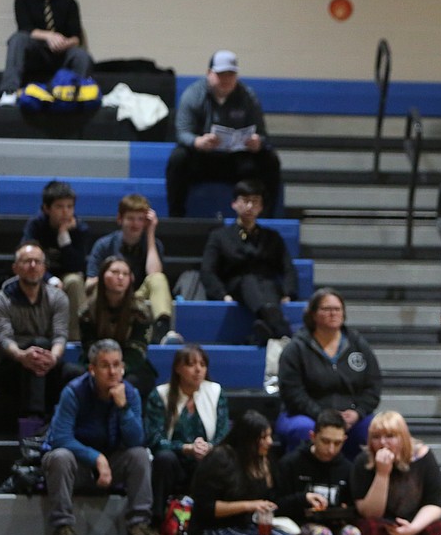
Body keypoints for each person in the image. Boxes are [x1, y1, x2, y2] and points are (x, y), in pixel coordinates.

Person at [42, 339, 163, 535]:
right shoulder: (74, 392)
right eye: (105, 365)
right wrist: (96, 458)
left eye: (117, 365)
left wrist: (123, 408)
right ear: (92, 369)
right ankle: (63, 527)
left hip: (113, 463)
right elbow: (60, 437)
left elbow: (137, 440)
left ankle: (138, 525)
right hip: (78, 465)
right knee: (59, 456)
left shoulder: (130, 394)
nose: (112, 371)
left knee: (140, 455)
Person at [166, 50, 281, 217]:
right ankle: (176, 216)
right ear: (209, 73)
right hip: (203, 159)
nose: (226, 79)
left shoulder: (248, 96)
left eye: (231, 74)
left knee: (269, 159)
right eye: (221, 74)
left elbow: (263, 134)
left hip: (236, 161)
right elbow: (183, 132)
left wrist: (257, 142)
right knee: (178, 158)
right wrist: (197, 142)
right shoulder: (193, 94)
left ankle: (267, 218)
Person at [275, 287, 381, 460]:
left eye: (337, 309)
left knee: (377, 429)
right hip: (307, 414)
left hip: (350, 415)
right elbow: (292, 392)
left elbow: (373, 385)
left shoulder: (358, 344)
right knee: (302, 429)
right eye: (326, 309)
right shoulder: (296, 348)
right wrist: (324, 416)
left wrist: (358, 412)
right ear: (313, 314)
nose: (333, 314)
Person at [200, 180, 297, 345]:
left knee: (268, 285)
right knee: (249, 280)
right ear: (234, 204)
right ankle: (280, 328)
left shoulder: (272, 237)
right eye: (245, 201)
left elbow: (288, 267)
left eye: (255, 202)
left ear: (261, 207)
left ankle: (264, 328)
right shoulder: (220, 236)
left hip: (268, 285)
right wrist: (222, 295)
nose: (250, 206)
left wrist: (288, 293)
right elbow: (207, 270)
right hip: (237, 285)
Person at [144, 344, 229, 527]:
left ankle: (214, 523)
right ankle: (156, 521)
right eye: (191, 364)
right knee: (164, 458)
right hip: (176, 462)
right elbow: (154, 439)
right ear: (178, 368)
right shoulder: (160, 395)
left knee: (221, 459)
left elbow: (223, 433)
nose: (198, 370)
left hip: (206, 460)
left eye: (202, 364)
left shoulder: (215, 392)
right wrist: (185, 448)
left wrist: (210, 447)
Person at [0, 242, 70, 431]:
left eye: (37, 261)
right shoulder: (0, 300)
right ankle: (32, 428)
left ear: (44, 268)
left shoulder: (58, 298)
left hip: (49, 362)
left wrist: (54, 357)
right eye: (27, 262)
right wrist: (22, 356)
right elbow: (4, 338)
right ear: (15, 268)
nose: (33, 266)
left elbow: (60, 335)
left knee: (76, 374)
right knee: (36, 351)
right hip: (13, 365)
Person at [0, 0, 93, 106]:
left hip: (61, 52)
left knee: (82, 55)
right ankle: (9, 92)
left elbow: (76, 37)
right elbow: (25, 28)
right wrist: (49, 36)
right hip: (36, 51)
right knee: (17, 38)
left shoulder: (69, 3)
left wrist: (63, 43)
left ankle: (77, 96)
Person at [85, 194, 180, 345]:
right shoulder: (104, 245)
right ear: (120, 219)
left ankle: (162, 331)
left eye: (140, 219)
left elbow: (154, 273)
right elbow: (89, 283)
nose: (135, 224)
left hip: (137, 297)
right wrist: (112, 278)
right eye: (130, 218)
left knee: (158, 279)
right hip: (111, 297)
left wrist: (150, 233)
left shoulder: (154, 244)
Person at [79, 255, 157, 399]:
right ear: (102, 276)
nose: (120, 277)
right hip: (97, 364)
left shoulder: (141, 312)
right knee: (75, 377)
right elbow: (89, 346)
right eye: (115, 272)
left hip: (130, 366)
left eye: (125, 274)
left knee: (133, 383)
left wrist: (117, 370)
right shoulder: (87, 312)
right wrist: (103, 370)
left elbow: (138, 350)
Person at [21, 179, 90, 338]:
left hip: (67, 275)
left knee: (74, 281)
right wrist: (49, 278)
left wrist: (64, 238)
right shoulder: (36, 225)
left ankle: (75, 338)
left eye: (69, 207)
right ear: (46, 208)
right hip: (41, 275)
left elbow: (77, 265)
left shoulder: (81, 229)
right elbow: (26, 256)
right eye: (59, 207)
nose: (65, 212)